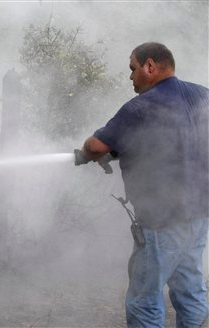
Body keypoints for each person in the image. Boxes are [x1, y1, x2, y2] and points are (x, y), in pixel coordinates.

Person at [76, 42, 209, 327]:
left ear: (150, 66)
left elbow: (95, 145)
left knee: (144, 300)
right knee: (190, 290)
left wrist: (88, 154)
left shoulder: (141, 107)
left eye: (133, 69)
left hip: (162, 221)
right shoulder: (203, 96)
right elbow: (174, 143)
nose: (131, 77)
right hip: (199, 214)